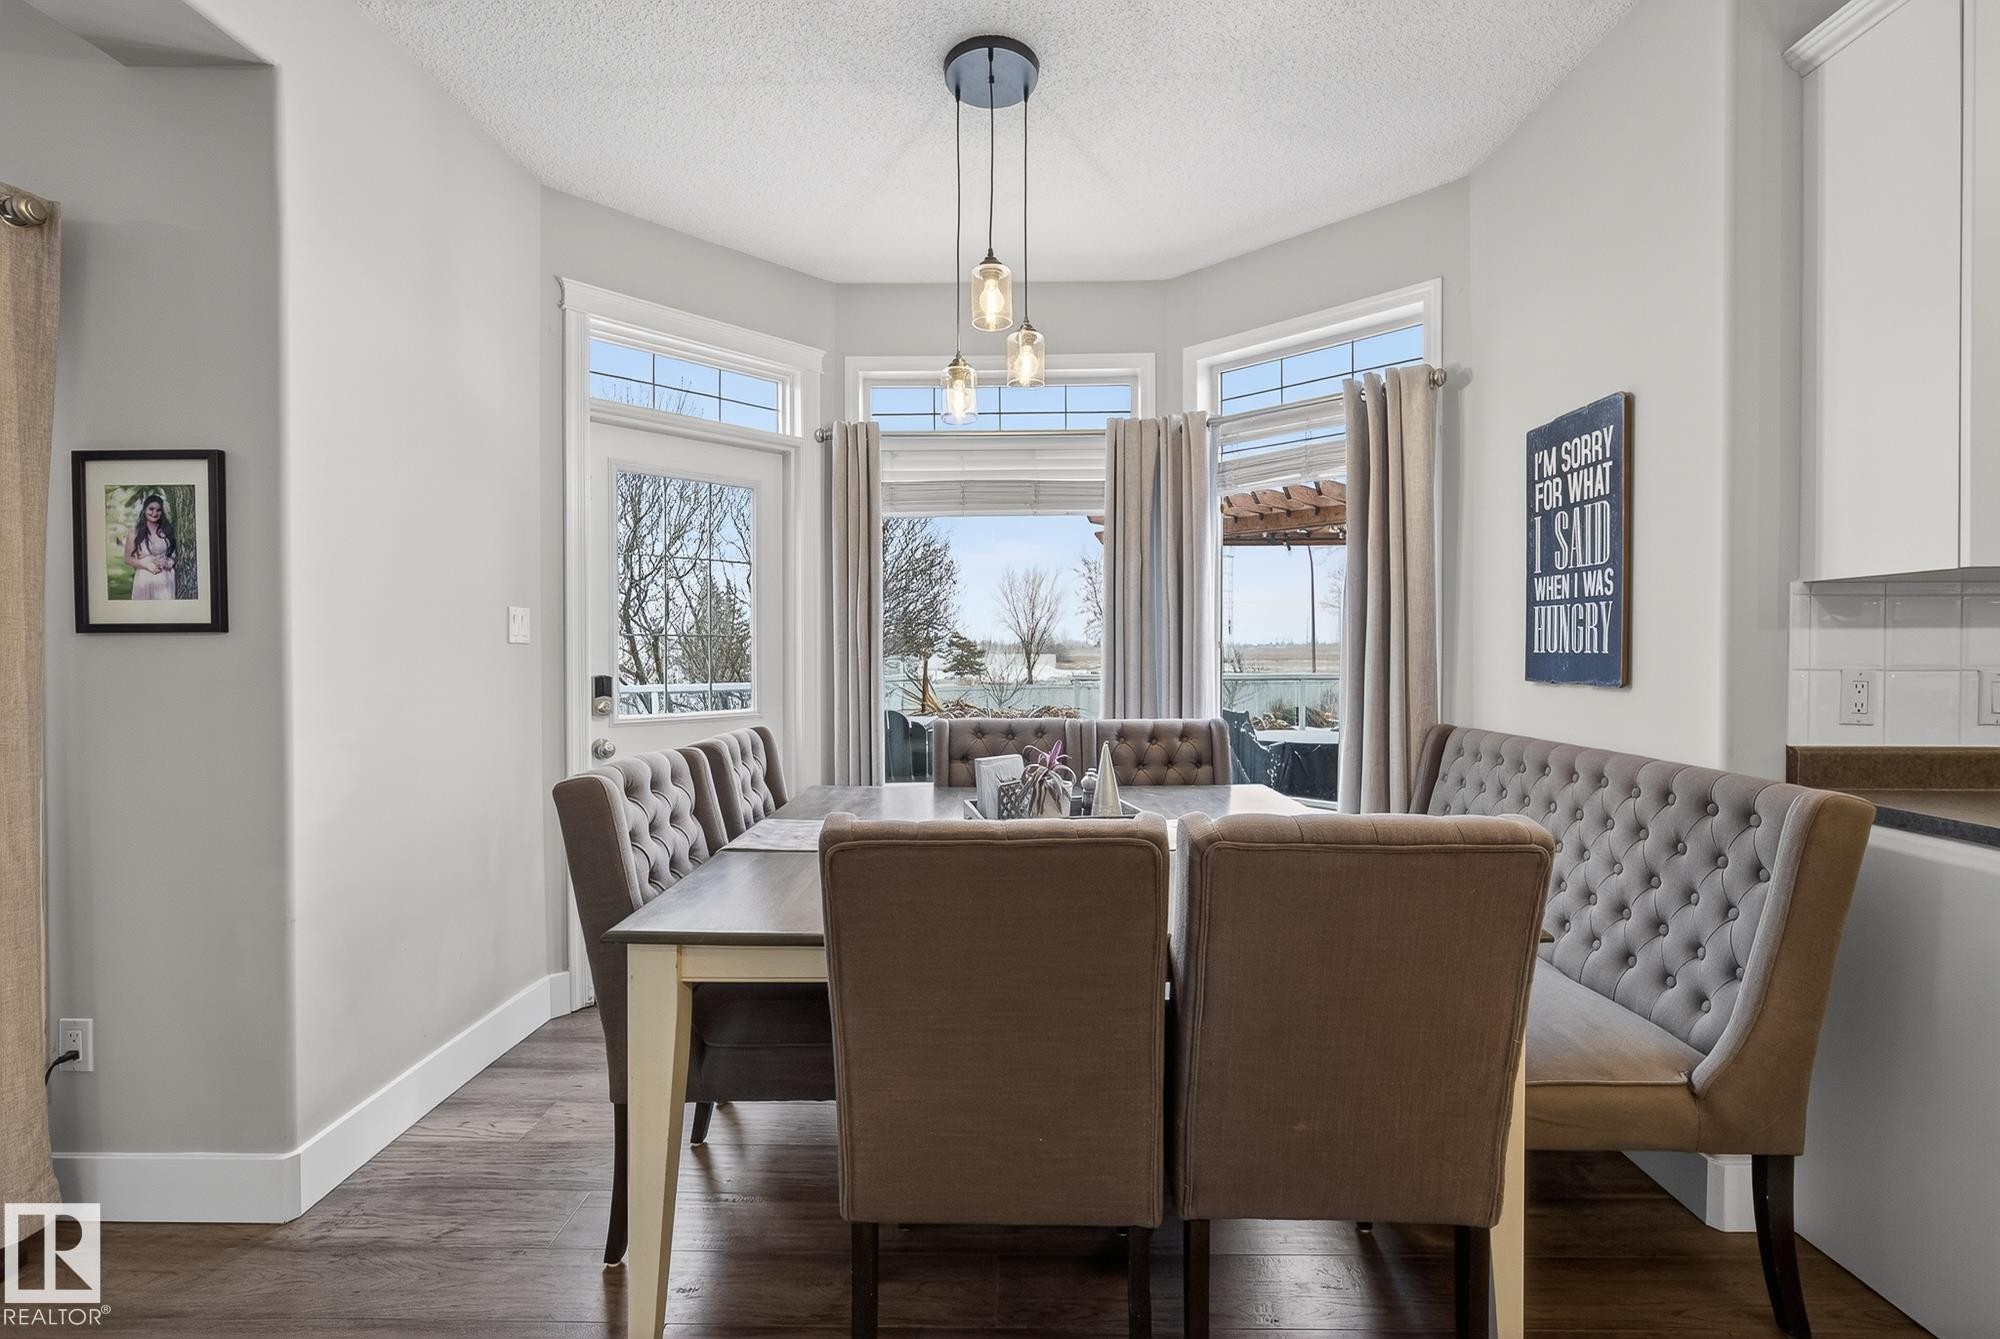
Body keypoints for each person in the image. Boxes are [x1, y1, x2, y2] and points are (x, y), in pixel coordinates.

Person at [122, 493, 177, 600]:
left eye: (158, 510)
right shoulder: (134, 532)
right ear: (144, 510)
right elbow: (127, 558)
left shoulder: (167, 530)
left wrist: (171, 561)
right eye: (151, 509)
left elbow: (175, 553)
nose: (155, 513)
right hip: (144, 578)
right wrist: (145, 564)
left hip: (166, 579)